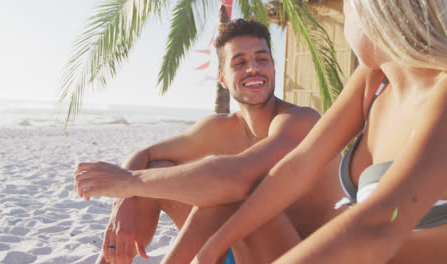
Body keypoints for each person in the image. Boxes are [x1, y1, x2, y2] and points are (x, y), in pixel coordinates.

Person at [192, 0, 447, 263]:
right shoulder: (374, 80)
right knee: (236, 199)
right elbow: (298, 166)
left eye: (348, 9)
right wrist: (213, 247)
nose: (345, 21)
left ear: (372, 13)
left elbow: (379, 225)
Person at [74, 19, 344, 264]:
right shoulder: (220, 128)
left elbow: (237, 180)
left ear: (273, 67)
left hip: (301, 255)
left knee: (238, 187)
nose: (253, 68)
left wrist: (127, 183)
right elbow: (146, 155)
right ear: (223, 78)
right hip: (230, 251)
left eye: (262, 59)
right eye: (239, 62)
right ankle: (113, 260)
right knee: (159, 167)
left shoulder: (299, 121)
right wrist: (123, 202)